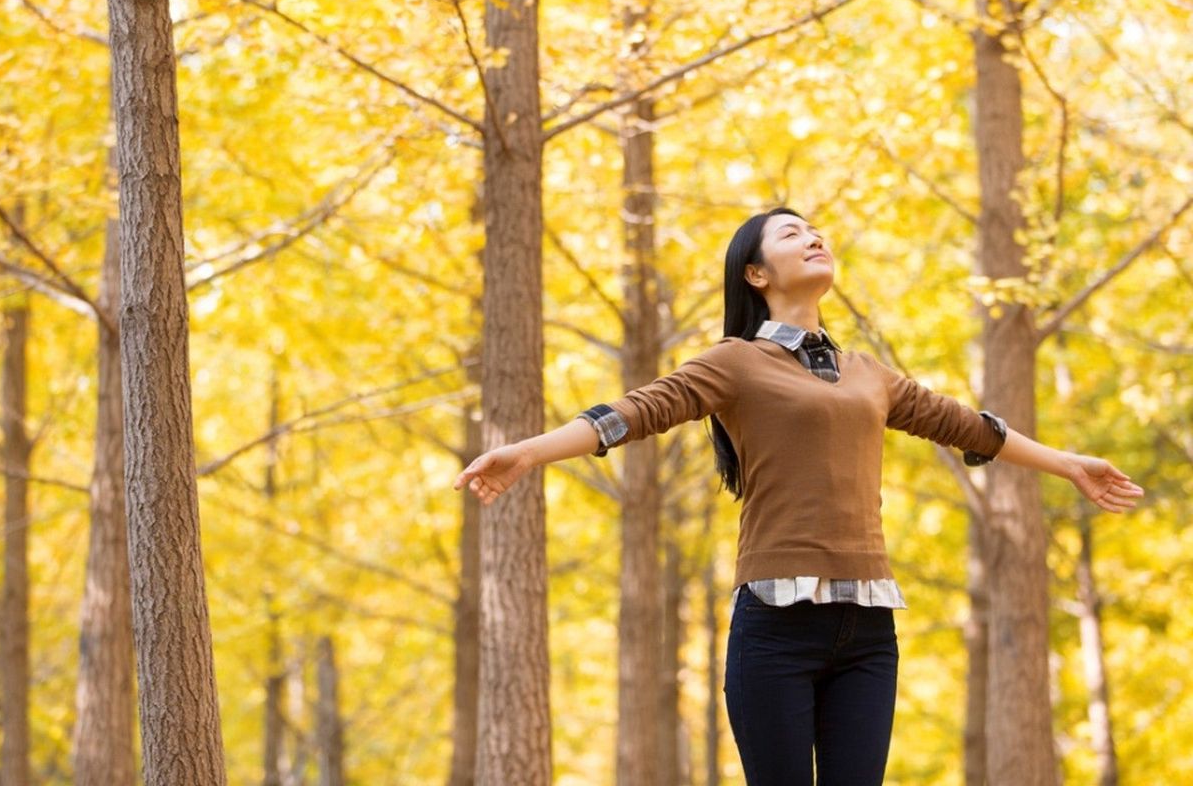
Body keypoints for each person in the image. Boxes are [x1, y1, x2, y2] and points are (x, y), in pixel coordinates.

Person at [452, 207, 1143, 786]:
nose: (814, 237)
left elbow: (970, 428)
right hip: (776, 628)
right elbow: (636, 411)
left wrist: (1068, 463)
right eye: (790, 234)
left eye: (816, 230)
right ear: (757, 274)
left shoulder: (867, 373)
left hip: (869, 628)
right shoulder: (734, 362)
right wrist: (529, 451)